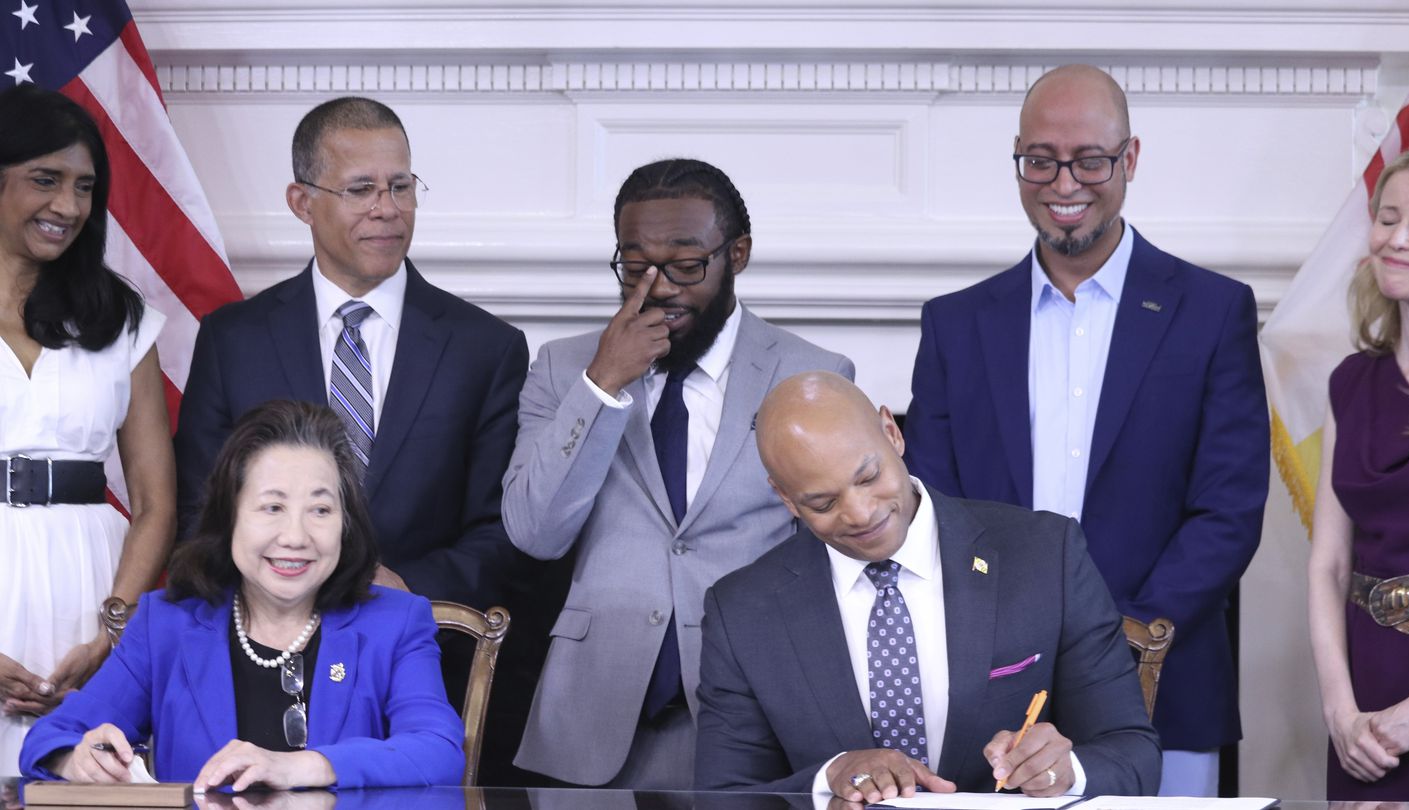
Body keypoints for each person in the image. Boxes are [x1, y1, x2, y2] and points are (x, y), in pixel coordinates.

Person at [902, 64, 1267, 795]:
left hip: (1168, 688)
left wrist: (1131, 639)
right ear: (1019, 159)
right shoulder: (955, 324)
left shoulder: (1213, 311)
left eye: (1089, 160)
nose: (1063, 182)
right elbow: (937, 509)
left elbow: (1228, 510)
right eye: (1041, 160)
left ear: (1129, 160)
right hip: (992, 697)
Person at [172, 97, 542, 782]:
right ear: (301, 200)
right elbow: (198, 517)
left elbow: (504, 533)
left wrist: (401, 587)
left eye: (401, 186)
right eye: (362, 189)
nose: (388, 208)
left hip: (421, 669)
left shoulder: (485, 348)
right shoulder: (233, 339)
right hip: (255, 667)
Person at [504, 158, 854, 789]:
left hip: (755, 709)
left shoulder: (813, 374)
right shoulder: (563, 369)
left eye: (686, 266)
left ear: (736, 255)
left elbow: (837, 553)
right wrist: (602, 383)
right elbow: (534, 531)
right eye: (635, 266)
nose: (658, 286)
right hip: (593, 715)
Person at [694, 371, 1159, 797]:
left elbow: (1132, 754)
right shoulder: (743, 611)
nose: (859, 514)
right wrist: (827, 776)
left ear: (892, 432)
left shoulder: (1044, 555)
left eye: (868, 476)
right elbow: (724, 796)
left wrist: (1064, 769)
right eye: (822, 501)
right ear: (785, 497)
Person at [20, 400, 463, 789]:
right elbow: (54, 735)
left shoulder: (396, 622)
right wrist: (73, 758)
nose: (295, 536)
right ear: (230, 516)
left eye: (321, 510)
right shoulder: (166, 623)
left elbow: (438, 750)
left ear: (346, 525)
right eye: (272, 507)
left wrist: (299, 767)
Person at [0, 86, 175, 777]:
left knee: (81, 775)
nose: (69, 207)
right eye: (46, 180)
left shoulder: (120, 319)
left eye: (84, 188)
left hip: (89, 590)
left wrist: (113, 628)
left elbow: (157, 501)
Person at [1309, 146, 1409, 800]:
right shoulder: (1350, 382)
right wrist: (1339, 711)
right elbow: (1329, 564)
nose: (1396, 239)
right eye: (1387, 218)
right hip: (1364, 693)